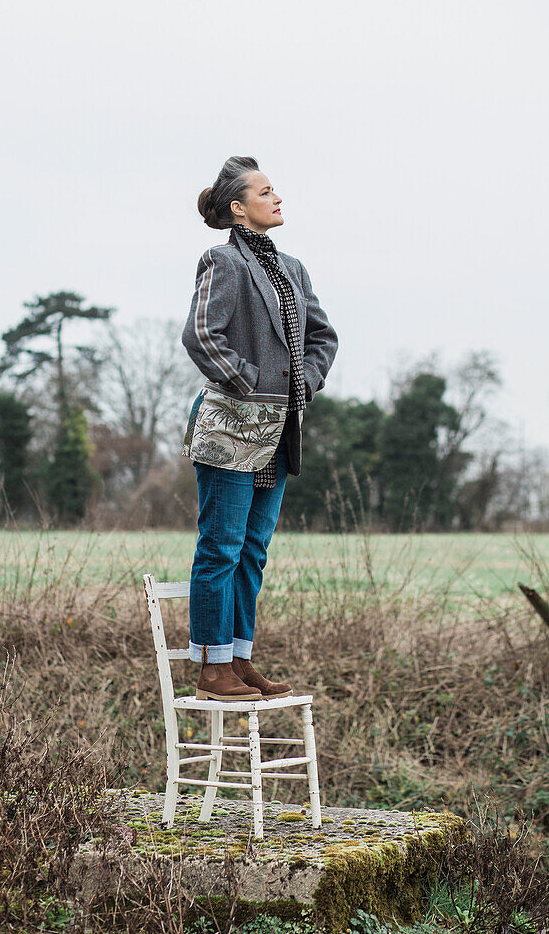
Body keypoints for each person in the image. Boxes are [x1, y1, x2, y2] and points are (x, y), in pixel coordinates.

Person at [181, 156, 338, 701]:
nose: (278, 198)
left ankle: (240, 658)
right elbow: (201, 334)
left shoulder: (293, 268)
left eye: (276, 190)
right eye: (266, 192)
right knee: (220, 547)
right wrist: (249, 383)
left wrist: (304, 385)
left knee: (252, 550)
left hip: (280, 433)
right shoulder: (221, 262)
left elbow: (323, 337)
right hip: (230, 429)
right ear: (238, 207)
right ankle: (211, 668)